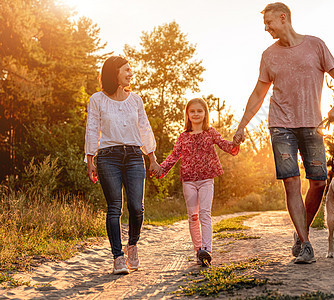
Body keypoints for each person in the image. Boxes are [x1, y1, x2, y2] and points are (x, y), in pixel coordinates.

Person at [233, 2, 334, 264]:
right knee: (292, 182)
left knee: (318, 181)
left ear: (283, 18)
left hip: (312, 125)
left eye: (269, 23)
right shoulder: (268, 55)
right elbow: (258, 94)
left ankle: (299, 232)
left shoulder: (315, 45)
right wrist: (242, 125)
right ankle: (306, 244)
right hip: (280, 126)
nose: (266, 28)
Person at [84, 56, 162, 274]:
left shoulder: (136, 100)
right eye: (126, 70)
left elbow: (145, 128)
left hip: (135, 156)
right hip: (108, 157)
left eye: (130, 70)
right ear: (114, 72)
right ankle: (118, 257)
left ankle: (132, 245)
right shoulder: (97, 100)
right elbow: (92, 129)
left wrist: (152, 158)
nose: (131, 73)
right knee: (114, 207)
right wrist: (90, 161)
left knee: (137, 207)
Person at [157, 98, 239, 266]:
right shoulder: (183, 137)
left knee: (204, 214)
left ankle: (207, 249)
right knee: (193, 216)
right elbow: (174, 156)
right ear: (187, 114)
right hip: (189, 181)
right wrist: (161, 169)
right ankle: (198, 251)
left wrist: (234, 144)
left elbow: (223, 143)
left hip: (206, 179)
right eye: (192, 111)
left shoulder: (210, 132)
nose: (196, 114)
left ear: (205, 113)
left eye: (199, 111)